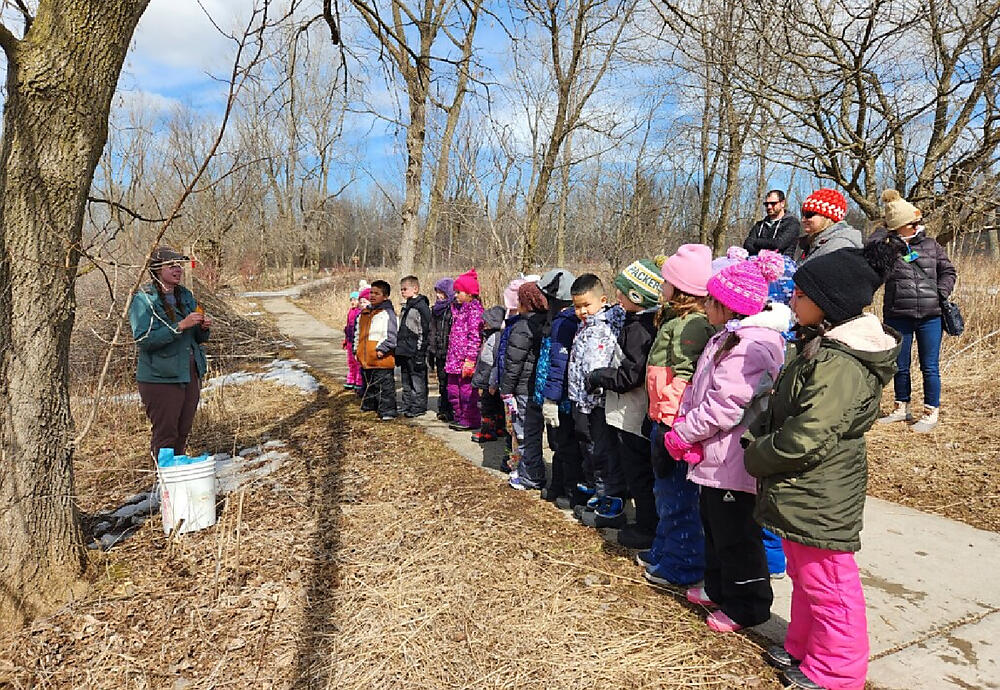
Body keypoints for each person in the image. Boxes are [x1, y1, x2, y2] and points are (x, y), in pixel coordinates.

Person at [744, 239, 904, 690]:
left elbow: (809, 434)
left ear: (828, 304)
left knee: (830, 583)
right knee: (805, 573)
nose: (791, 300)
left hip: (821, 487)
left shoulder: (840, 362)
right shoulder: (818, 345)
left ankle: (838, 671)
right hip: (803, 486)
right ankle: (804, 645)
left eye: (800, 295)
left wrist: (758, 453)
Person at [663, 251, 789, 633]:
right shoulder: (729, 337)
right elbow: (704, 389)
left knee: (736, 536)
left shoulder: (748, 346)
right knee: (715, 526)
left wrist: (685, 432)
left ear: (727, 306)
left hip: (733, 458)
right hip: (714, 455)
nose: (704, 307)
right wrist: (685, 417)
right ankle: (719, 586)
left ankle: (748, 605)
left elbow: (724, 407)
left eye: (710, 302)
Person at [641, 244, 715, 585]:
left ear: (681, 287)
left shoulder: (693, 325)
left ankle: (683, 565)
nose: (661, 285)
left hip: (673, 423)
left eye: (666, 280)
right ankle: (664, 549)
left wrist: (668, 420)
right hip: (661, 417)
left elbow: (685, 377)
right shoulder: (676, 319)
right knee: (664, 493)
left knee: (678, 497)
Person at [586, 259, 662, 535]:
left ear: (637, 297)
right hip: (631, 410)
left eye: (622, 292)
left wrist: (599, 376)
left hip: (633, 411)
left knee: (639, 471)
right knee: (637, 470)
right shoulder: (638, 322)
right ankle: (645, 521)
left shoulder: (639, 330)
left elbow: (629, 377)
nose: (617, 297)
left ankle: (645, 527)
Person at [871, 189, 957, 433]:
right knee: (900, 364)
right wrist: (884, 230)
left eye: (916, 222)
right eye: (911, 223)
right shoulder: (887, 248)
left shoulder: (932, 245)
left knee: (929, 366)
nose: (917, 226)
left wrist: (942, 291)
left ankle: (931, 411)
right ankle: (901, 408)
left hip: (931, 316)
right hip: (899, 314)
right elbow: (869, 250)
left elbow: (949, 271)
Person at [128, 246, 212, 461]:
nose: (178, 269)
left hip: (189, 374)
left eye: (179, 265)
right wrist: (180, 326)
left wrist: (203, 328)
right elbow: (144, 339)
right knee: (166, 436)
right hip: (160, 378)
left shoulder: (185, 295)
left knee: (183, 433)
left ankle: (179, 482)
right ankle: (165, 485)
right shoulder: (144, 300)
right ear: (157, 269)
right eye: (171, 265)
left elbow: (199, 340)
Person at [567, 274, 626, 523]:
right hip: (583, 403)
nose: (581, 311)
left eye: (586, 305)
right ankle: (598, 494)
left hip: (597, 405)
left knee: (602, 454)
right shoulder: (587, 327)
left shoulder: (604, 328)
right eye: (577, 306)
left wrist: (589, 400)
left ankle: (611, 504)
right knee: (591, 452)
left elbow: (598, 369)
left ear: (602, 300)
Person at [533, 268, 582, 506]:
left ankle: (570, 491)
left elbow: (559, 364)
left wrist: (551, 399)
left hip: (560, 396)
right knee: (558, 443)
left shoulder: (565, 322)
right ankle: (558, 485)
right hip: (551, 392)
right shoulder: (555, 320)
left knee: (566, 445)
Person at [500, 281, 549, 490]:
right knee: (533, 431)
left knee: (524, 431)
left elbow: (514, 362)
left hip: (522, 388)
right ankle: (531, 470)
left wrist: (506, 389)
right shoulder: (546, 322)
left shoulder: (522, 326)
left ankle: (530, 475)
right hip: (538, 387)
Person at [445, 268, 484, 431]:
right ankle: (459, 416)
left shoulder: (474, 312)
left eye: (459, 292)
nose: (455, 295)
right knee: (453, 390)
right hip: (453, 358)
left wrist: (470, 360)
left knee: (467, 391)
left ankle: (470, 418)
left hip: (466, 360)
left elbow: (475, 337)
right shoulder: (457, 311)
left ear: (469, 294)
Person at [355, 280, 398, 420]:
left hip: (381, 358)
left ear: (385, 296)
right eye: (371, 293)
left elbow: (392, 336)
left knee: (384, 387)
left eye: (376, 293)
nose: (372, 296)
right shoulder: (365, 313)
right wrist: (357, 350)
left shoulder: (387, 313)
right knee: (370, 384)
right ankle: (370, 405)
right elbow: (358, 334)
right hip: (366, 357)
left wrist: (382, 349)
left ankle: (388, 411)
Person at [795, 188, 862, 264]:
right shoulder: (811, 243)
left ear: (828, 217)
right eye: (803, 214)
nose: (803, 219)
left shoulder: (839, 247)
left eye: (809, 214)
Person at [470, 306, 507, 443]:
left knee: (487, 406)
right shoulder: (492, 336)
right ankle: (498, 427)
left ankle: (488, 431)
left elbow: (494, 360)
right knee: (496, 404)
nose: (484, 324)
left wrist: (491, 381)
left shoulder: (496, 337)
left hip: (489, 377)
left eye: (487, 321)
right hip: (490, 376)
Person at [396, 275, 432, 417]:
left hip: (416, 350)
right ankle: (407, 404)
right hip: (404, 350)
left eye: (405, 289)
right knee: (406, 380)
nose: (402, 292)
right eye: (401, 289)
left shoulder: (421, 307)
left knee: (417, 380)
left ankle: (418, 406)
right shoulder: (406, 307)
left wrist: (420, 352)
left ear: (415, 289)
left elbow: (424, 331)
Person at [743, 190, 801, 258]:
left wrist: (757, 242)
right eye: (766, 204)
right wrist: (763, 252)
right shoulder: (759, 225)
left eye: (773, 203)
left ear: (782, 203)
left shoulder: (792, 223)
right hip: (757, 263)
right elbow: (747, 244)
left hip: (782, 265)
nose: (769, 207)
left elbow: (779, 244)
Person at [428, 278, 455, 422]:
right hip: (438, 350)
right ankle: (443, 408)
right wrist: (431, 349)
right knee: (442, 381)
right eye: (437, 292)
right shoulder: (435, 310)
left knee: (450, 382)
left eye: (442, 292)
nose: (439, 296)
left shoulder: (453, 309)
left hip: (450, 352)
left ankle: (452, 409)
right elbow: (431, 330)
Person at [343, 291, 363, 390]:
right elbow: (348, 326)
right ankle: (351, 379)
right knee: (350, 361)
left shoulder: (359, 312)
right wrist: (346, 340)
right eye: (351, 300)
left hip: (357, 340)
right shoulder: (350, 311)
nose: (352, 302)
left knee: (357, 362)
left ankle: (359, 380)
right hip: (350, 340)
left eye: (355, 300)